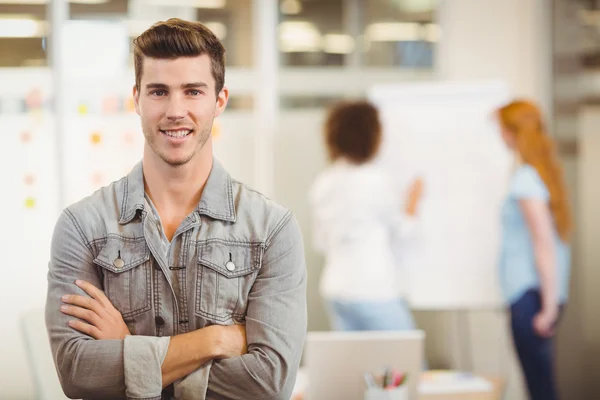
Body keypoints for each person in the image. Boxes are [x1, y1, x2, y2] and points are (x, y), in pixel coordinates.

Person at [45, 18, 307, 400]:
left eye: (193, 91)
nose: (175, 110)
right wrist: (215, 340)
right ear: (136, 99)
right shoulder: (82, 226)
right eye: (158, 92)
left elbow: (269, 383)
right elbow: (76, 372)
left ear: (219, 100)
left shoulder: (271, 230)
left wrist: (128, 349)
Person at [308, 101, 423, 332]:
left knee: (355, 364)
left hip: (336, 289)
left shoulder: (324, 182)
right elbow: (403, 230)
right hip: (375, 288)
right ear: (372, 136)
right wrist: (413, 202)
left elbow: (320, 243)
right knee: (407, 362)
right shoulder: (376, 180)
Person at [497, 100, 572, 400]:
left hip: (532, 299)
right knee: (541, 385)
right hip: (540, 297)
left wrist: (548, 309)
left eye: (501, 130)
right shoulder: (543, 175)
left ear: (511, 134)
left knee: (540, 388)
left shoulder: (525, 179)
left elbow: (543, 243)